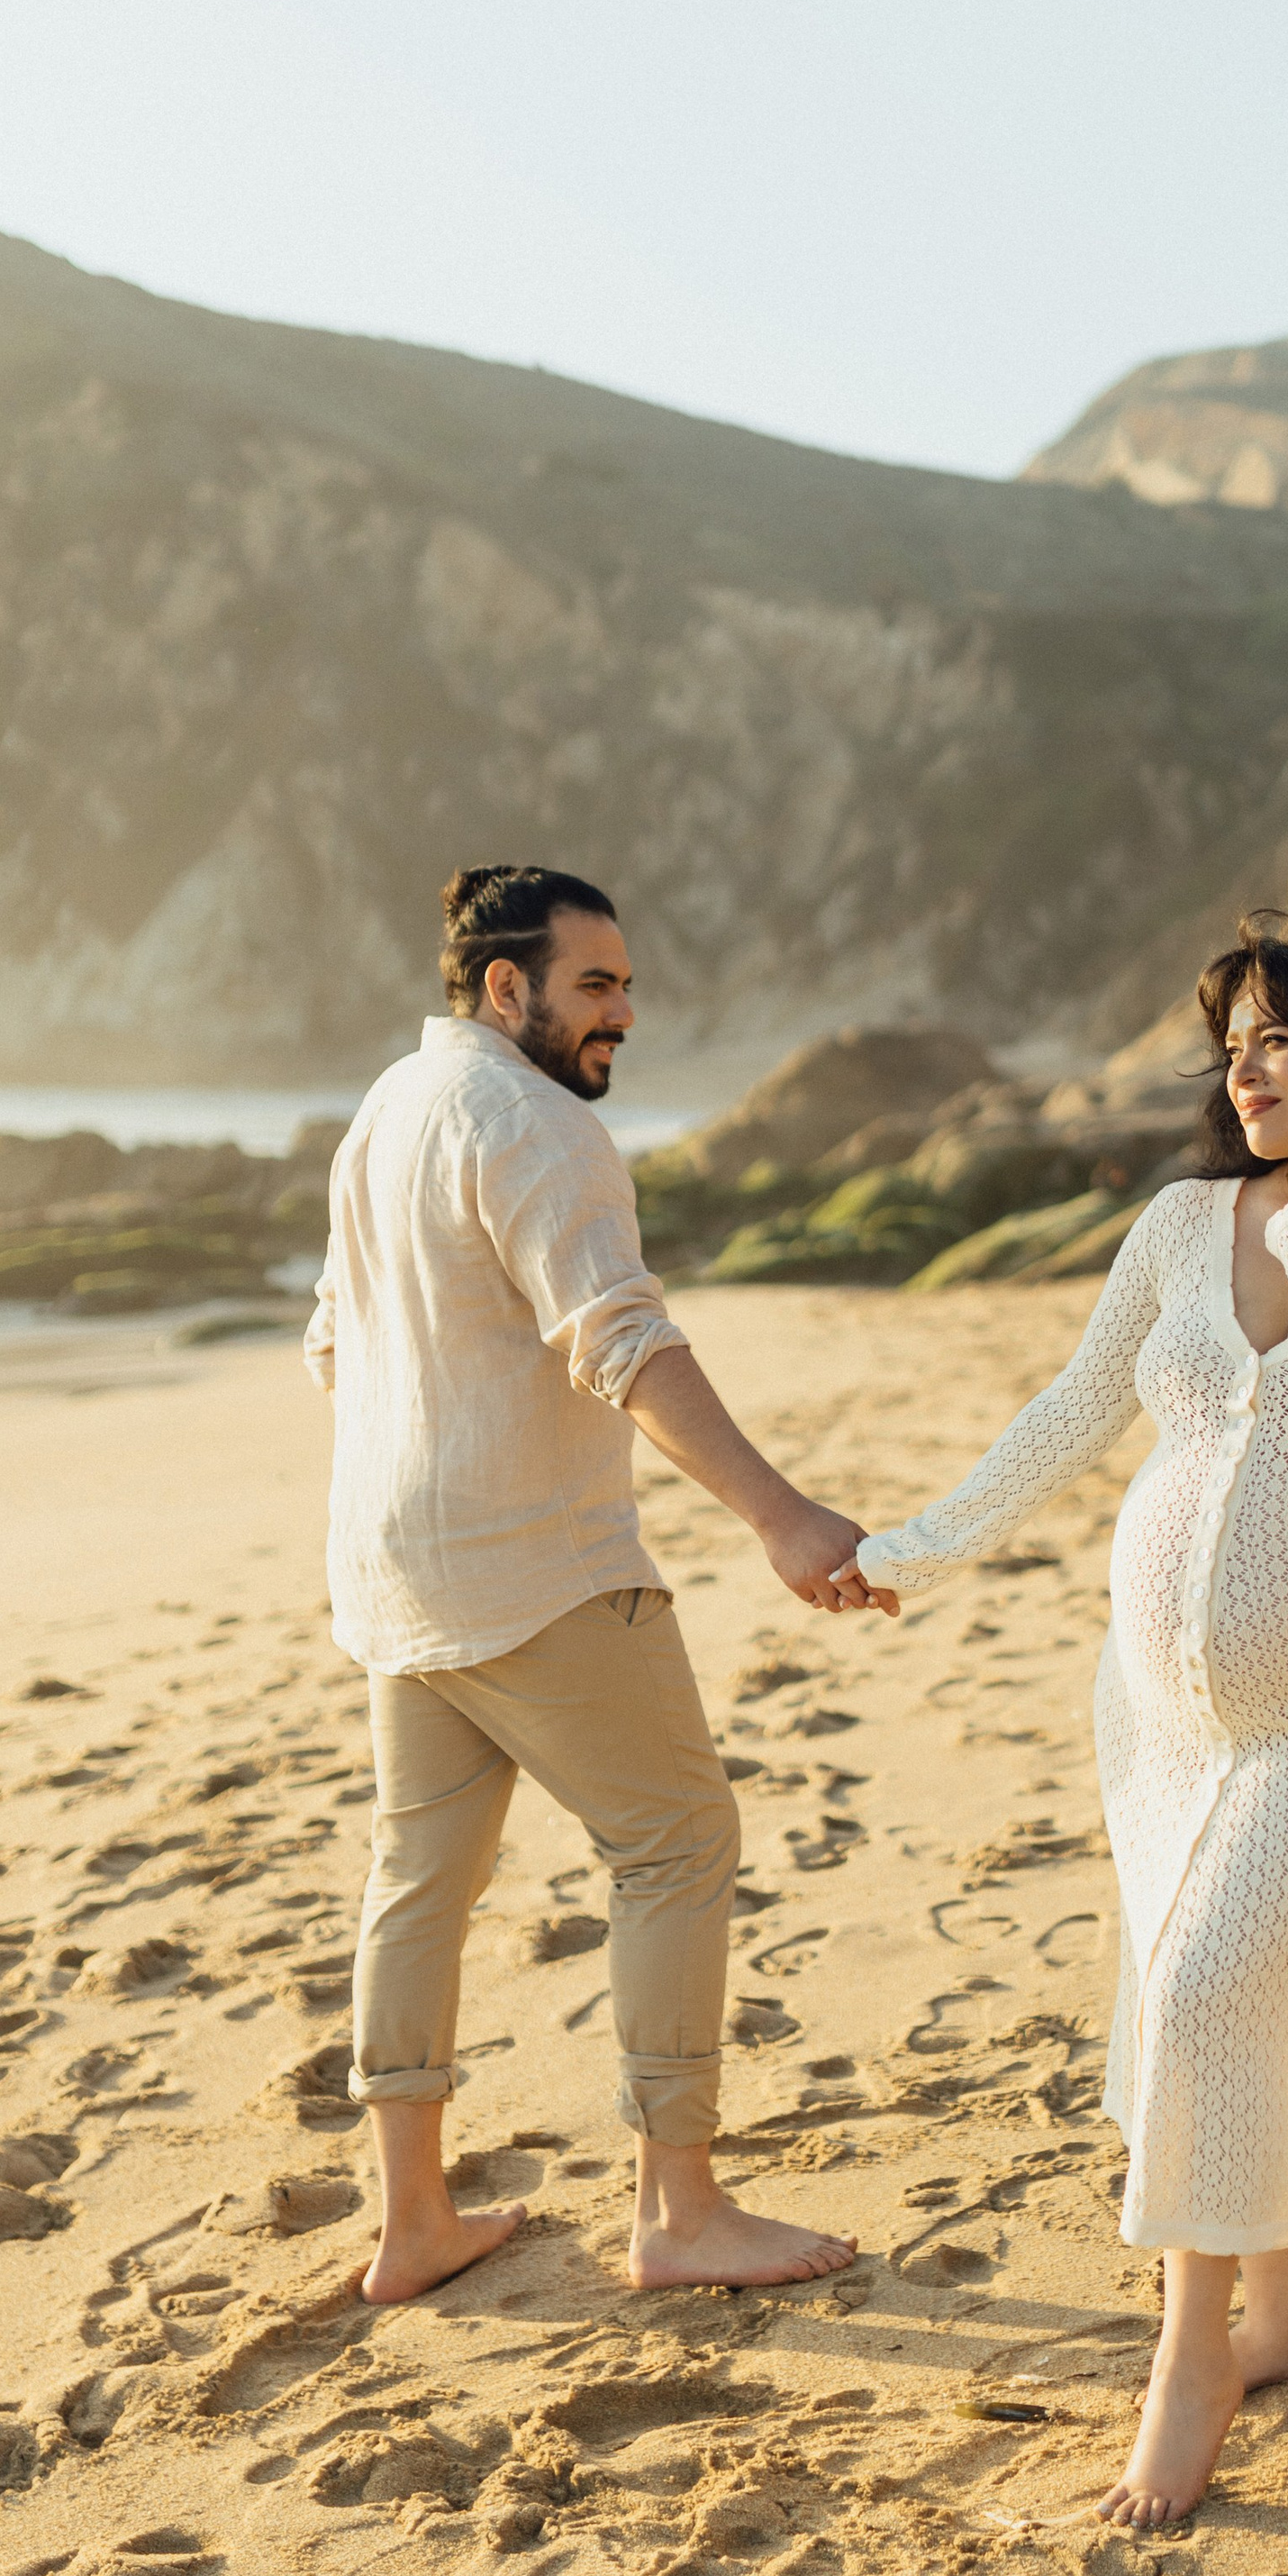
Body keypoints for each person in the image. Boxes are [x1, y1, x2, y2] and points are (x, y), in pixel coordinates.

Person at [841, 917, 1288, 2526]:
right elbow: (1076, 1410)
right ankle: (1279, 2317)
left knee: (1213, 1982)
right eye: (1232, 1042)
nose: (1244, 1067)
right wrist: (909, 1545)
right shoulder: (1174, 1223)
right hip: (1161, 1711)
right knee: (1221, 1991)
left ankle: (1193, 2356)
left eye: (1277, 1039)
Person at [306, 862, 881, 2305]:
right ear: (509, 989)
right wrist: (780, 1510)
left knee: (417, 1878)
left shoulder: (385, 1109)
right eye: (596, 984)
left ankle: (413, 2223)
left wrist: (432, 1444)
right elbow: (618, 1338)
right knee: (679, 1841)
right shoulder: (531, 1120)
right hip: (535, 1566)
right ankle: (680, 2212)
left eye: (626, 983)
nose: (626, 1011)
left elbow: (333, 1343)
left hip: (394, 1566)